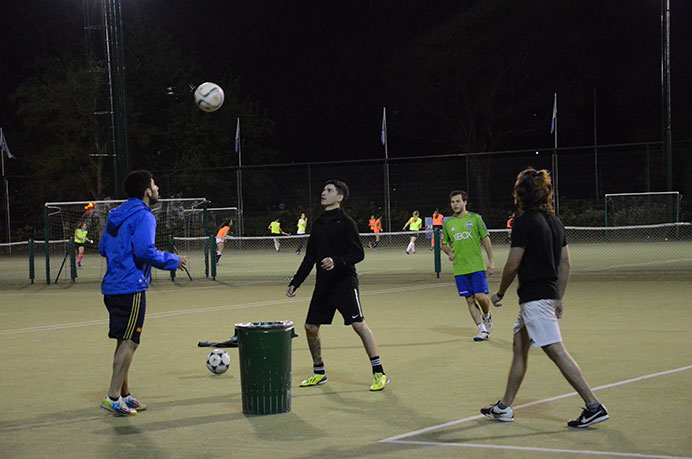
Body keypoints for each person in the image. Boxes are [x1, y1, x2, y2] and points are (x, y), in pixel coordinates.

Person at [480, 168, 609, 428]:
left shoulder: (524, 223)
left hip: (535, 299)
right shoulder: (555, 222)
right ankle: (504, 407)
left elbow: (513, 264)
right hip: (543, 297)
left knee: (556, 351)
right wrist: (558, 297)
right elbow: (565, 264)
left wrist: (500, 293)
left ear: (521, 194)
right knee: (519, 348)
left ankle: (594, 406)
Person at [98, 170, 188, 416]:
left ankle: (124, 395)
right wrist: (173, 260)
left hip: (112, 287)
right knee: (130, 342)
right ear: (147, 191)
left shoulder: (115, 214)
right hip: (131, 287)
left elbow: (103, 247)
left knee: (122, 341)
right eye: (154, 184)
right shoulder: (144, 216)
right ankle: (113, 397)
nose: (157, 188)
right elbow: (145, 252)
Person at [286, 180, 388, 391]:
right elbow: (310, 257)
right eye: (324, 189)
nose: (324, 192)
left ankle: (379, 373)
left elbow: (358, 254)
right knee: (310, 327)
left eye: (329, 190)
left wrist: (336, 260)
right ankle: (319, 372)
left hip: (344, 282)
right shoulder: (318, 223)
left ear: (339, 198)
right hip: (323, 284)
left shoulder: (346, 223)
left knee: (358, 325)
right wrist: (296, 282)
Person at [440, 190, 495, 341]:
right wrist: (449, 253)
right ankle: (482, 330)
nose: (455, 204)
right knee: (470, 300)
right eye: (452, 202)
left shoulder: (475, 218)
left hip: (476, 266)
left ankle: (487, 315)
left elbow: (486, 240)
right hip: (460, 269)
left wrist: (491, 262)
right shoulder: (448, 222)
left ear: (465, 202)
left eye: (458, 201)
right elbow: (443, 244)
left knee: (480, 296)